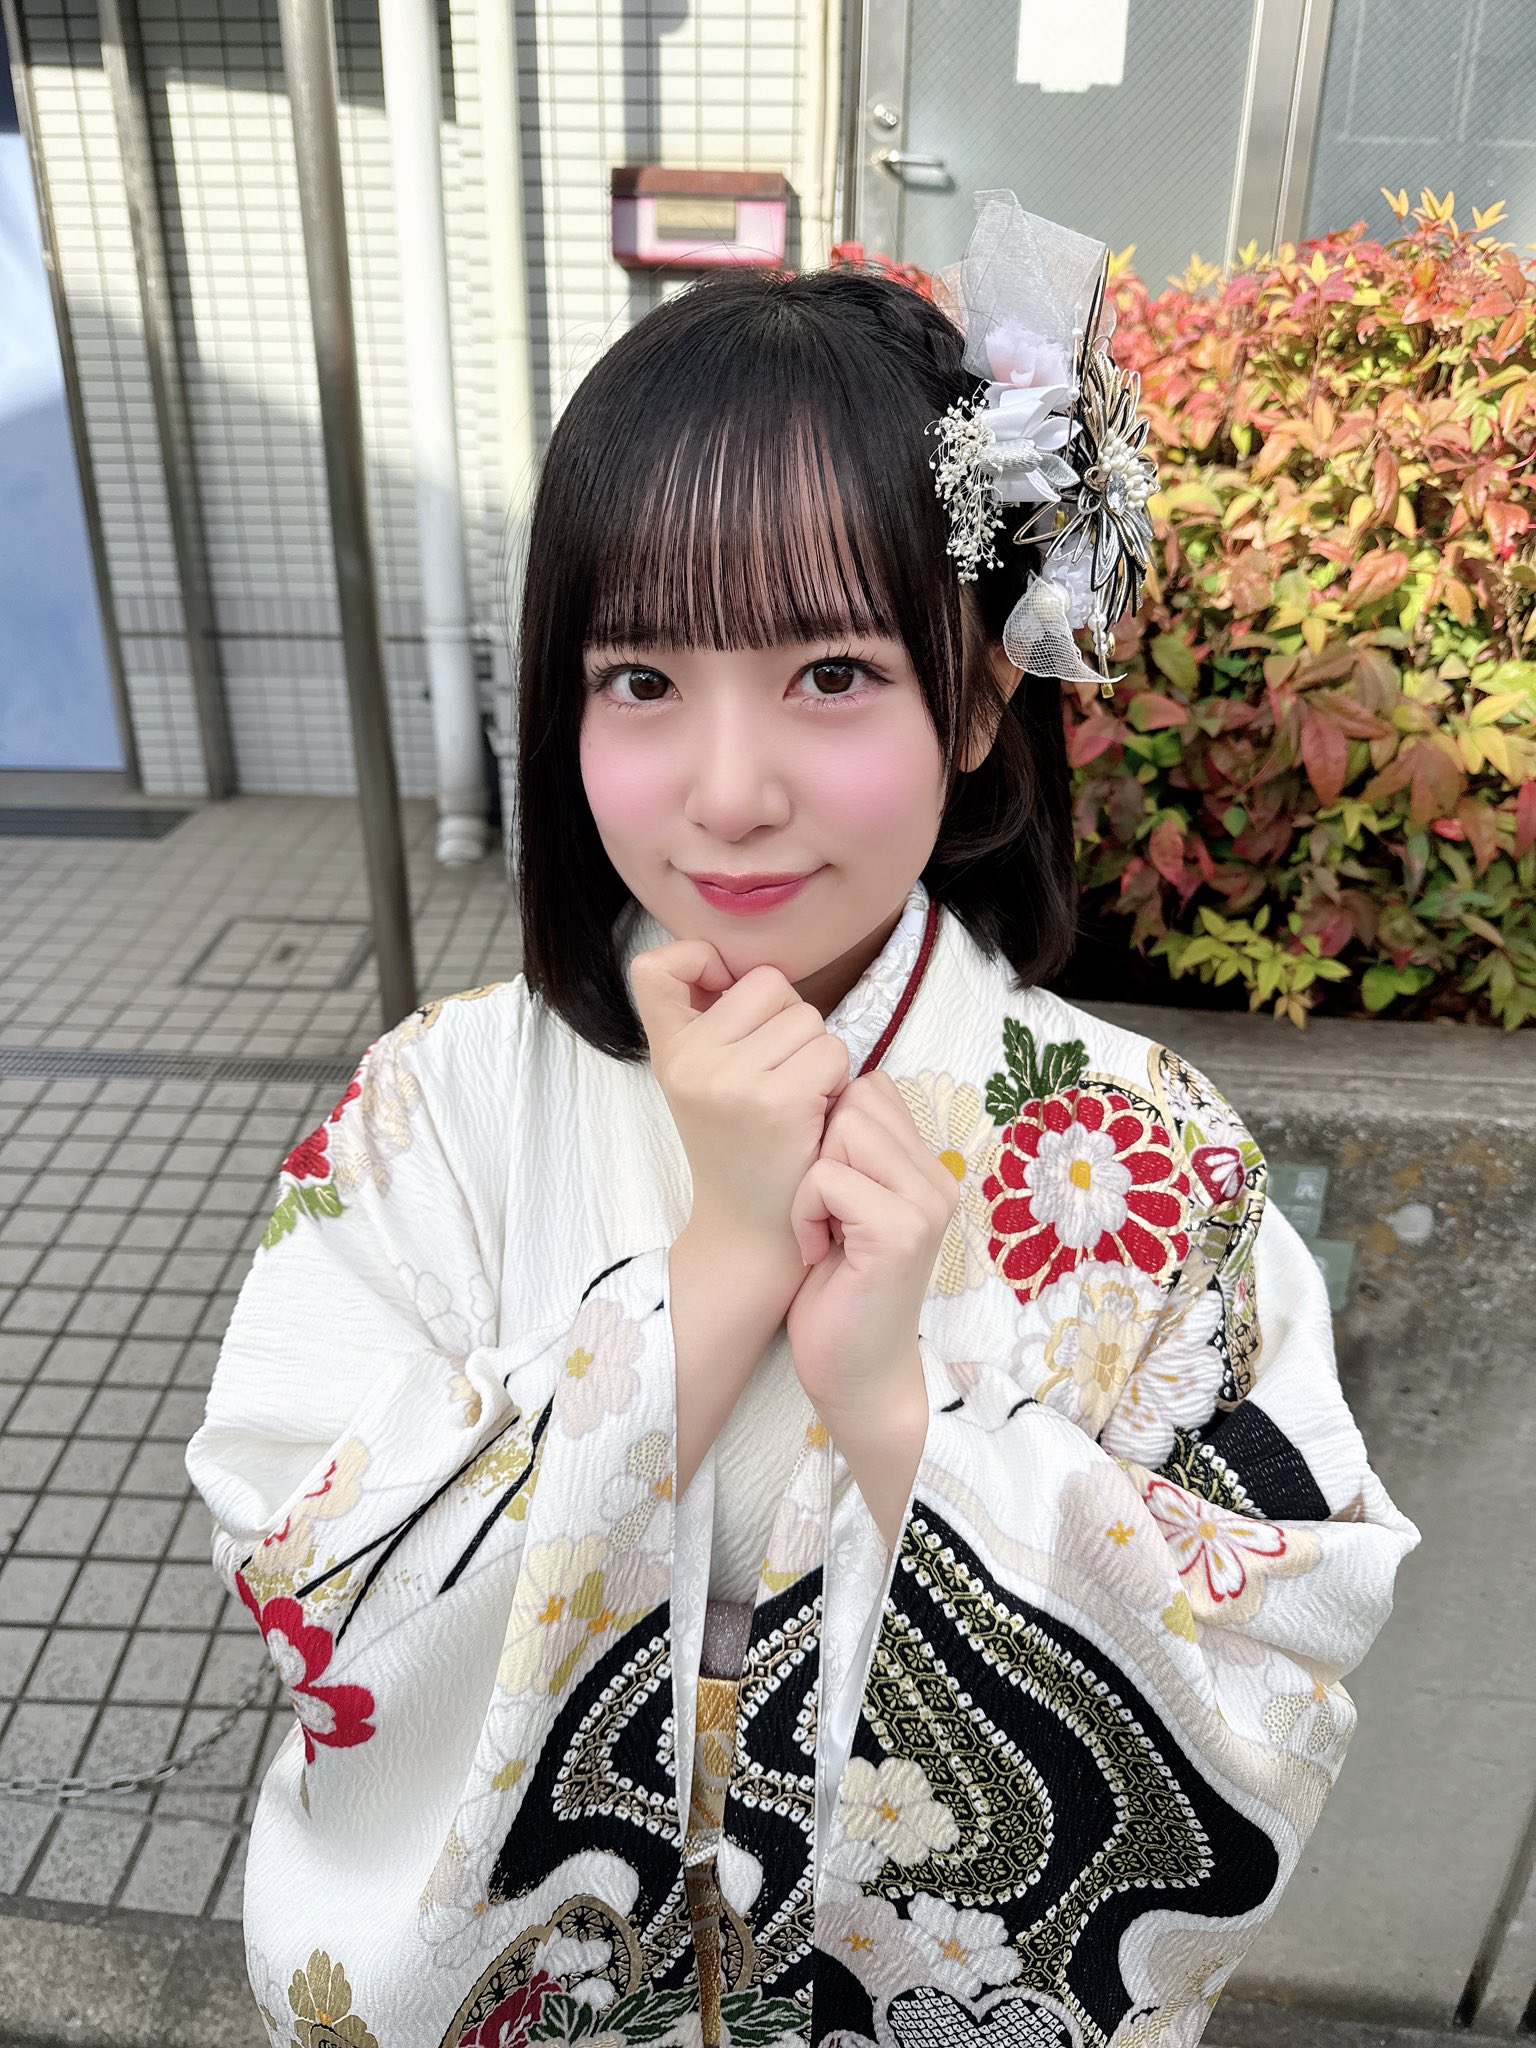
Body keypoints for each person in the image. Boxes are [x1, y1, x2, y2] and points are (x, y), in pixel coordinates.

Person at [184, 193, 1420, 2048]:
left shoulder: (1150, 1158)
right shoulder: (433, 1108)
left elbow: (1279, 1646)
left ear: (982, 696)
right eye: (641, 681)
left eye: (832, 674)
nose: (729, 790)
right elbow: (298, 1553)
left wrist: (898, 1417)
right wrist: (714, 1277)